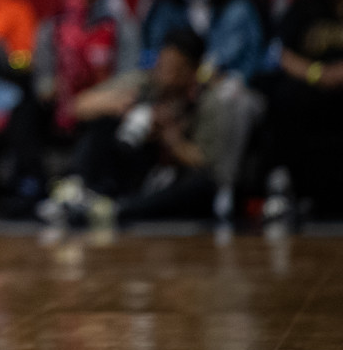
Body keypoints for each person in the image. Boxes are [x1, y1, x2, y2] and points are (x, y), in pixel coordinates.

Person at [47, 28, 259, 225]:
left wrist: (171, 138)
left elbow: (209, 164)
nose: (165, 74)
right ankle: (77, 188)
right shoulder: (145, 82)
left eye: (175, 69)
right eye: (163, 65)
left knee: (201, 187)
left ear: (193, 71)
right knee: (103, 124)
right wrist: (120, 107)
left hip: (175, 176)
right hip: (136, 165)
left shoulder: (208, 100)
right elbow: (77, 106)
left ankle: (117, 210)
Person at [266, 0, 343, 217]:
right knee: (285, 94)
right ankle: (285, 184)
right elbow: (280, 54)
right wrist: (317, 73)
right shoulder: (303, 8)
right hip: (312, 85)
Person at [31, 0, 140, 134]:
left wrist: (91, 99)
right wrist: (55, 86)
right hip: (60, 103)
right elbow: (43, 80)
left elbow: (129, 78)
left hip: (105, 105)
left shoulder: (122, 26)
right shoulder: (53, 26)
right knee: (26, 113)